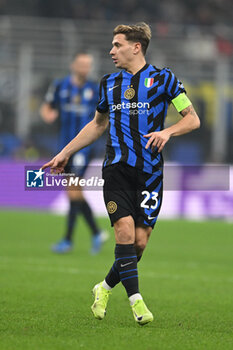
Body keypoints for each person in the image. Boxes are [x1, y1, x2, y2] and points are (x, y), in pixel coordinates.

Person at [42, 23, 200, 325]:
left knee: (139, 243)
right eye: (112, 46)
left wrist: (168, 131)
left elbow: (192, 120)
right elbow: (97, 124)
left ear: (135, 47)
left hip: (151, 174)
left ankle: (103, 287)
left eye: (117, 45)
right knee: (124, 233)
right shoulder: (109, 83)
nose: (111, 51)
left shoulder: (165, 80)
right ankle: (136, 301)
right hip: (116, 170)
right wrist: (65, 152)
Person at [40, 53, 108, 254]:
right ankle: (94, 233)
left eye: (88, 65)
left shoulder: (95, 89)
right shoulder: (60, 85)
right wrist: (48, 114)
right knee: (73, 193)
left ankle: (70, 240)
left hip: (83, 149)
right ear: (73, 65)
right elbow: (47, 105)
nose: (85, 68)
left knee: (73, 190)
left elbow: (102, 117)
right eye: (82, 64)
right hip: (63, 147)